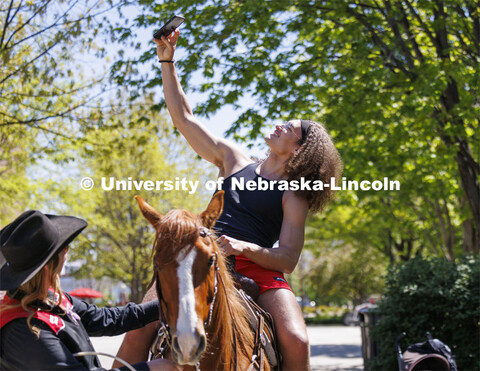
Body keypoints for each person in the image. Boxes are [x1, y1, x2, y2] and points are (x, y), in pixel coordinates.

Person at [115, 30, 342, 370]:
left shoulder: (294, 194)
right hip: (198, 260)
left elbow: (288, 259)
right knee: (136, 331)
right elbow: (184, 119)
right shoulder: (233, 159)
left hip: (257, 270)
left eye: (289, 128)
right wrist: (167, 60)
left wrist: (242, 247)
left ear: (299, 149)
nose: (279, 125)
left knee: (297, 339)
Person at [0, 210, 182, 371]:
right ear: (48, 266)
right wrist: (148, 369)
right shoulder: (24, 331)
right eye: (63, 248)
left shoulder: (49, 299)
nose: (67, 251)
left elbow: (105, 319)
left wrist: (169, 305)